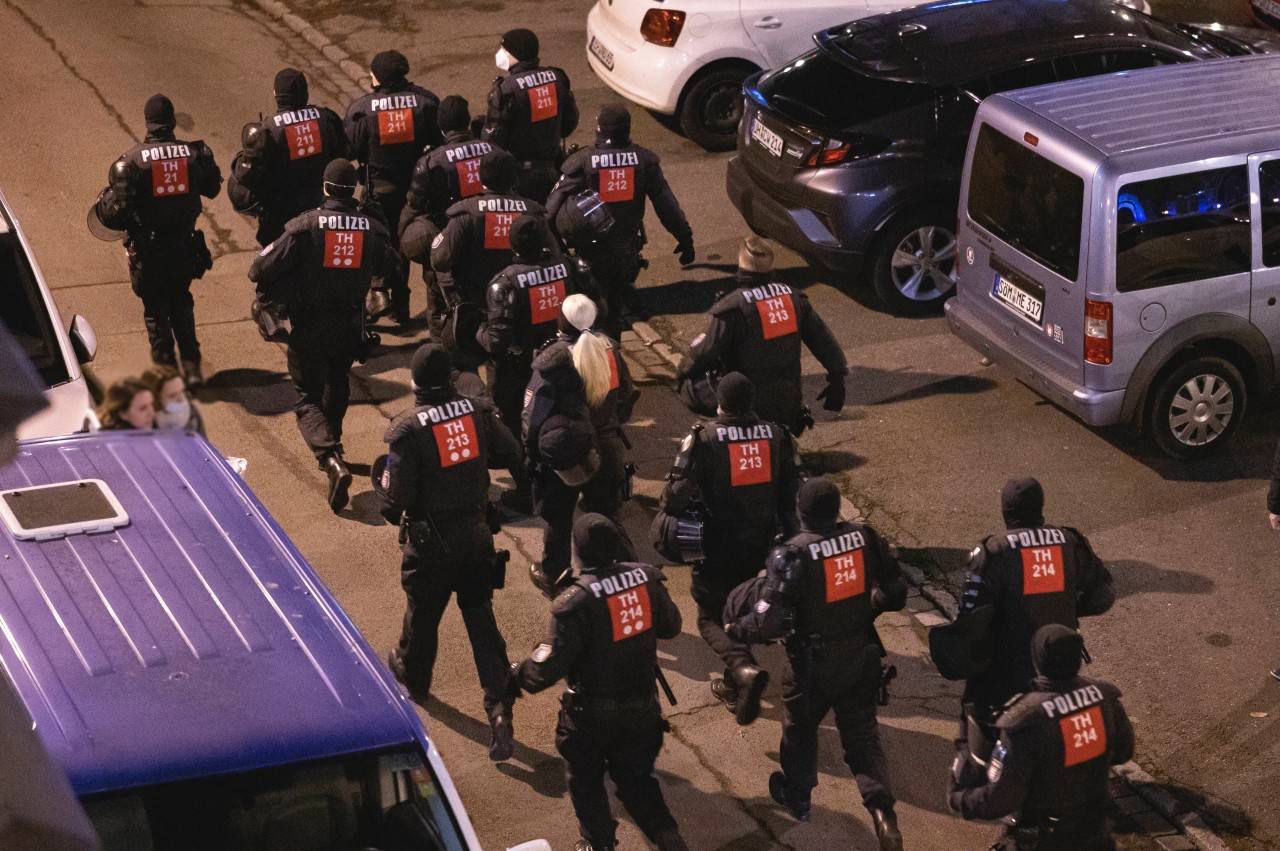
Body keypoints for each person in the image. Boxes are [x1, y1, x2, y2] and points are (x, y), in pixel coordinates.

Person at [726, 476, 906, 848]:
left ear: (800, 511)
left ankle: (799, 797)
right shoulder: (866, 538)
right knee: (863, 741)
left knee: (799, 730)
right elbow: (896, 594)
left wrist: (737, 627)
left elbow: (768, 621)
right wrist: (864, 611)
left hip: (813, 664)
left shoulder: (791, 554)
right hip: (862, 656)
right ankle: (884, 817)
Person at [509, 513, 688, 851]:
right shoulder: (646, 579)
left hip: (590, 719)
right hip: (642, 709)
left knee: (586, 780)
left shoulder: (575, 601)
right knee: (638, 783)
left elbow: (547, 670)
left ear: (579, 552)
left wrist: (518, 674)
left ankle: (598, 842)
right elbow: (671, 627)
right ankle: (670, 839)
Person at [380, 343, 524, 762]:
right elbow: (511, 451)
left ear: (414, 383)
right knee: (481, 621)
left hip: (431, 546)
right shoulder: (477, 412)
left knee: (422, 616)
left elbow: (394, 502)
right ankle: (499, 711)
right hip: (477, 536)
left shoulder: (409, 430)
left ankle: (414, 676)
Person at [248, 159, 400, 512]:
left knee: (305, 397)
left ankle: (331, 458)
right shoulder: (369, 229)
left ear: (326, 189)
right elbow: (389, 264)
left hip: (311, 326)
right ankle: (335, 444)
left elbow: (259, 269)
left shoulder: (307, 226)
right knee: (338, 378)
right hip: (350, 326)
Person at [656, 371, 801, 723]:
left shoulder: (705, 438)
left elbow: (673, 500)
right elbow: (789, 499)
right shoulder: (777, 435)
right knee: (742, 609)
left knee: (710, 618)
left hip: (716, 546)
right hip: (762, 545)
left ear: (718, 402)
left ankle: (741, 669)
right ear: (752, 403)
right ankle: (736, 684)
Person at [942, 477, 1116, 769]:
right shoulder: (1070, 542)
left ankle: (970, 783)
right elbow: (1103, 595)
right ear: (1041, 509)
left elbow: (970, 619)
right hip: (1058, 662)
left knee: (972, 712)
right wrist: (1063, 612)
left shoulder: (993, 553)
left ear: (1006, 513)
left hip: (1004, 669)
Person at [948, 625, 1135, 851]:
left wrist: (959, 798)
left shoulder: (1027, 720)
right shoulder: (1104, 697)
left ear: (1038, 660)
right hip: (1096, 834)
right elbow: (1124, 751)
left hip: (1044, 839)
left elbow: (999, 800)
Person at [95, 94, 221, 387]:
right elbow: (213, 188)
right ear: (173, 121)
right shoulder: (193, 154)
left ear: (148, 123)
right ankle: (192, 368)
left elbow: (117, 213)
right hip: (184, 245)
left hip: (150, 248)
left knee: (155, 309)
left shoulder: (132, 162)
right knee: (181, 299)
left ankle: (166, 375)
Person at [677, 236, 847, 436]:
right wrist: (837, 378)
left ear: (741, 268)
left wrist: (682, 373)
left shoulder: (733, 307)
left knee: (691, 385)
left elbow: (705, 352)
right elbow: (822, 339)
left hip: (748, 407)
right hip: (788, 404)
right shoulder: (794, 298)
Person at [524, 296, 635, 596]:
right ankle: (623, 578)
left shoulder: (553, 360)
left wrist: (532, 452)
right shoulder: (610, 349)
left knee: (558, 516)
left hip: (566, 452)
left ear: (561, 322)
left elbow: (533, 417)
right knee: (607, 515)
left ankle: (554, 575)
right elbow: (627, 394)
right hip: (608, 446)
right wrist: (609, 425)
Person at [546, 104, 694, 330]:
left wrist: (555, 250)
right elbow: (666, 205)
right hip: (626, 252)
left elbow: (551, 209)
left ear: (600, 129)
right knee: (614, 308)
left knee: (589, 309)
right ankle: (613, 347)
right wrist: (685, 237)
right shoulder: (644, 161)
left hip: (590, 253)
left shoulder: (583, 162)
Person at [344, 50, 442, 323]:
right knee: (406, 242)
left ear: (377, 76)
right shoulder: (426, 102)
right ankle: (401, 305)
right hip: (418, 189)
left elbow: (347, 151)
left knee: (379, 243)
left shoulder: (362, 110)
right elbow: (442, 142)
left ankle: (379, 292)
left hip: (379, 190)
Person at [400, 95, 499, 329]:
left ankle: (447, 353)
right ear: (467, 122)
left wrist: (404, 237)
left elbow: (412, 208)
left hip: (447, 242)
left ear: (442, 128)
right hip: (489, 234)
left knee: (440, 307)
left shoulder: (430, 163)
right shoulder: (493, 150)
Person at [228, 68, 348, 247]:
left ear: (276, 95)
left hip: (280, 222)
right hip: (320, 213)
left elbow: (245, 176)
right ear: (306, 93)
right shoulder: (327, 119)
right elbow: (343, 156)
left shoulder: (267, 131)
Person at [431, 149, 553, 314]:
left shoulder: (465, 213)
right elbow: (554, 258)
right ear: (514, 178)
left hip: (475, 302)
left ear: (480, 177)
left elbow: (439, 261)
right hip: (522, 302)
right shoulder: (533, 212)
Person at [482, 28, 579, 203]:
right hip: (553, 169)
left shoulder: (506, 90)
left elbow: (494, 141)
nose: (500, 54)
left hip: (520, 176)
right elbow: (569, 124)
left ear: (515, 54)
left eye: (504, 50)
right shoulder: (557, 78)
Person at [141, 365, 205, 434]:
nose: (181, 399)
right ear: (154, 399)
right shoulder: (142, 421)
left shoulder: (192, 413)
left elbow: (202, 442)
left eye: (182, 391)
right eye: (172, 396)